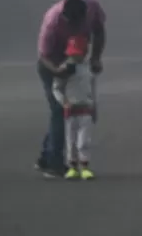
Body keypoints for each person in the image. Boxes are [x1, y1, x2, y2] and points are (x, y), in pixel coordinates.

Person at [36, 0, 106, 178]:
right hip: (53, 63)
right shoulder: (52, 23)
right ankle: (54, 164)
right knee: (61, 110)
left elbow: (99, 31)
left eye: (79, 23)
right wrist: (58, 71)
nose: (76, 28)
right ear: (65, 17)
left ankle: (47, 156)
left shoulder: (91, 5)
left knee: (69, 112)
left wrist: (96, 58)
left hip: (78, 61)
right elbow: (44, 57)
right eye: (72, 24)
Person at [52, 34, 98, 180]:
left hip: (86, 109)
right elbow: (56, 88)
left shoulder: (88, 69)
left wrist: (95, 108)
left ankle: (84, 167)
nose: (75, 57)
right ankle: (72, 167)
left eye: (78, 54)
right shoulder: (65, 68)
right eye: (73, 54)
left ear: (84, 53)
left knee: (84, 141)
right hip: (70, 110)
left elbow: (93, 89)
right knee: (70, 140)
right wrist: (63, 101)